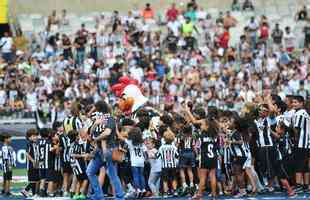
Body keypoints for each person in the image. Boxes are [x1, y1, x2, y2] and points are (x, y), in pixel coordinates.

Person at [86, 100, 125, 200]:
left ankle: (120, 197)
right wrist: (95, 124)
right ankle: (99, 195)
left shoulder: (110, 119)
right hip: (100, 150)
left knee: (111, 174)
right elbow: (90, 134)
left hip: (109, 149)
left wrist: (96, 138)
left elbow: (107, 133)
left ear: (99, 109)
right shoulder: (100, 119)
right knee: (90, 172)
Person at [125, 127, 147, 197]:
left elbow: (123, 139)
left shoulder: (130, 142)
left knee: (135, 175)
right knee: (141, 175)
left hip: (134, 161)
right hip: (141, 161)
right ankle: (143, 189)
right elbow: (145, 152)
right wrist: (146, 159)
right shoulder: (142, 143)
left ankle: (138, 189)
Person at [157, 127, 179, 197]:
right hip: (173, 165)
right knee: (173, 178)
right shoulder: (174, 147)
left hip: (165, 166)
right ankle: (175, 191)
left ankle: (166, 193)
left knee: (165, 180)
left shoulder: (161, 147)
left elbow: (157, 155)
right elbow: (177, 156)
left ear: (164, 139)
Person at [21, 129, 39, 198]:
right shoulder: (29, 144)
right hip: (31, 165)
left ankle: (27, 191)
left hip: (36, 164)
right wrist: (32, 160)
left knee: (36, 179)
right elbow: (26, 153)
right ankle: (31, 193)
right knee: (33, 180)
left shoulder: (35, 144)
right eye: (34, 136)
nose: (36, 137)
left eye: (36, 136)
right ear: (29, 137)